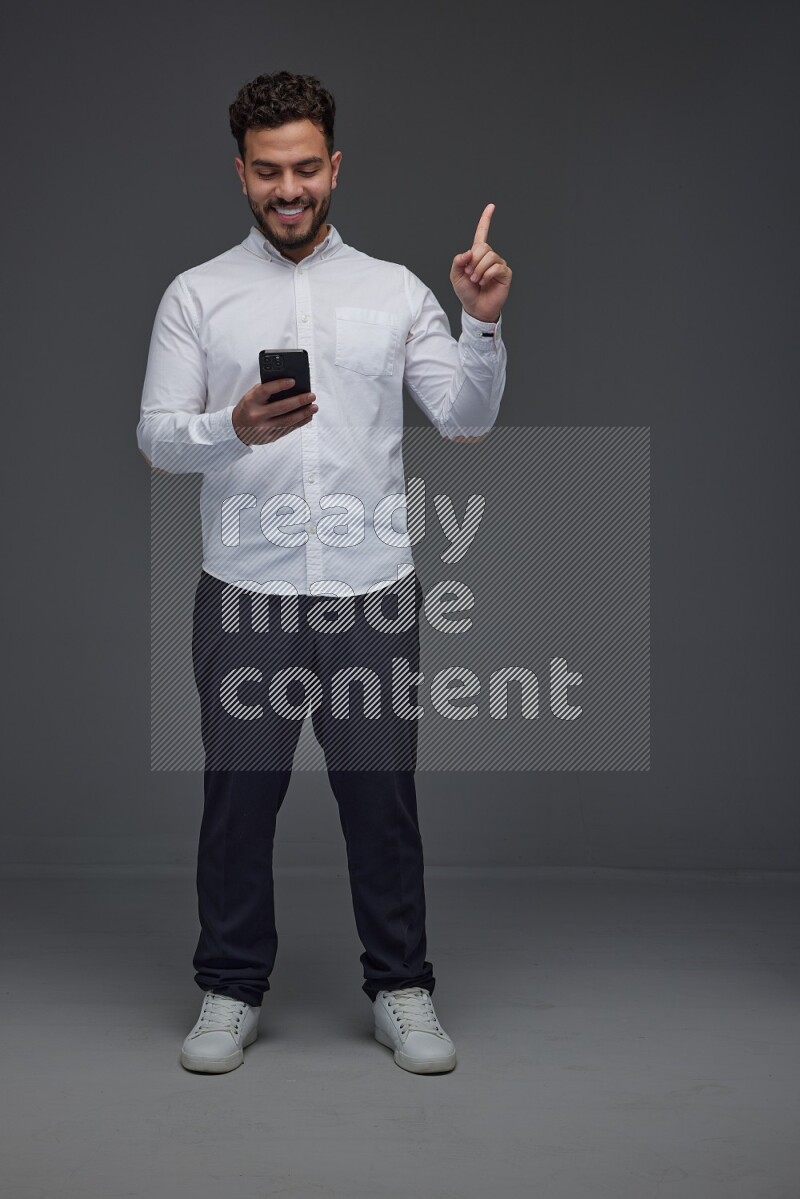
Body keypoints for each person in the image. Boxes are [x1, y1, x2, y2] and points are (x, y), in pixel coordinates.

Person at [137, 70, 512, 1076]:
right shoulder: (198, 293)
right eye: (268, 171)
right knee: (238, 798)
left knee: (379, 795)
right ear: (241, 173)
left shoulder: (392, 290)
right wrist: (231, 426)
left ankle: (401, 986)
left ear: (334, 166)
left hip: (370, 592)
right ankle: (227, 987)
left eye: (306, 167)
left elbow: (466, 419)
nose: (289, 187)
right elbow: (156, 435)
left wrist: (478, 321)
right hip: (245, 593)